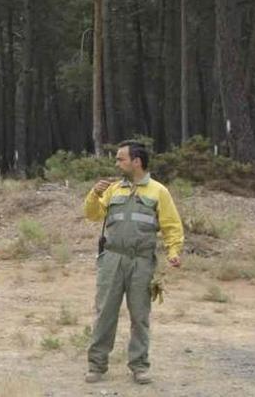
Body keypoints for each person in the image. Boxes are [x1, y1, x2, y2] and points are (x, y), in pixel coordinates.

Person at [84, 141, 184, 385]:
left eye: (121, 159)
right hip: (112, 259)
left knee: (140, 316)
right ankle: (97, 365)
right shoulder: (113, 189)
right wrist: (94, 193)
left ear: (136, 162)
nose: (117, 163)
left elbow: (172, 225)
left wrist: (174, 250)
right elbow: (92, 214)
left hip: (141, 262)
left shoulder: (158, 191)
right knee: (105, 312)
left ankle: (139, 366)